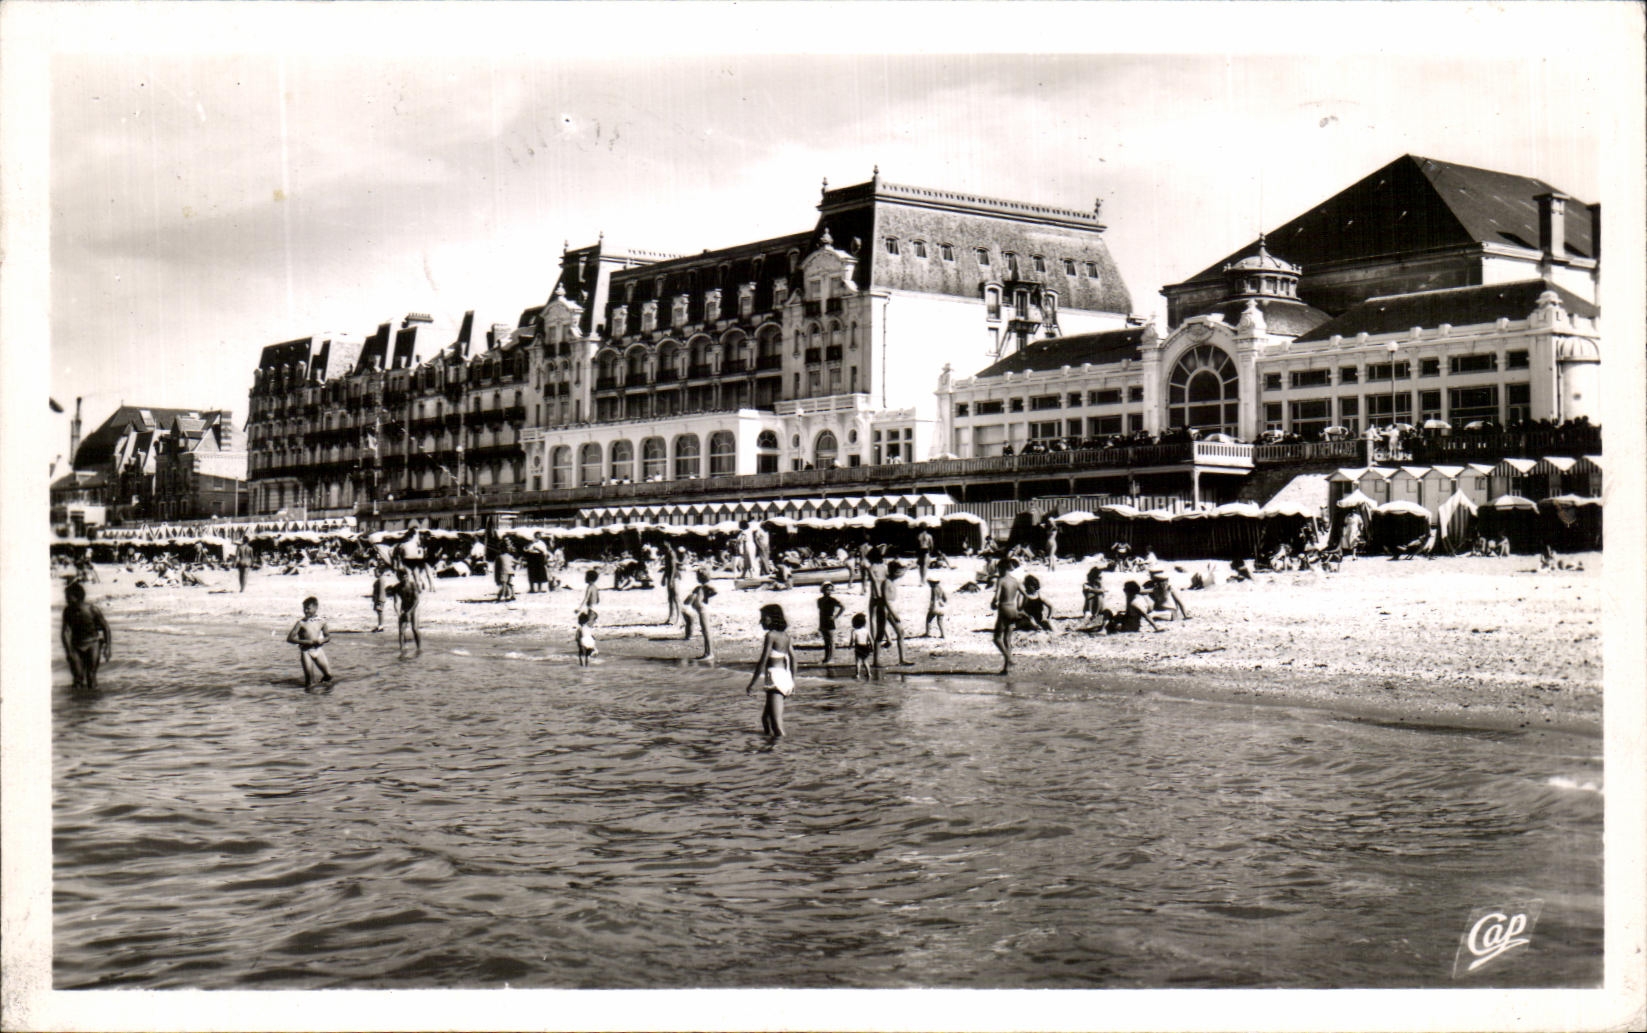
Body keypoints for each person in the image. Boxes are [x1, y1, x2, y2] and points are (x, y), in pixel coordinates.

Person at [745, 603, 794, 737]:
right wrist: (792, 681)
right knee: (765, 720)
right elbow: (794, 659)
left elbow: (763, 661)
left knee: (777, 725)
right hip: (784, 677)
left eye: (764, 618)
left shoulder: (771, 635)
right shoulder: (785, 636)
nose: (761, 621)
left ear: (773, 618)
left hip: (775, 679)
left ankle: (782, 753)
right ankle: (769, 749)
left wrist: (752, 683)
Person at [60, 581, 112, 692]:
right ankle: (78, 704)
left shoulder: (92, 610)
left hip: (93, 643)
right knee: (77, 677)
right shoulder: (68, 611)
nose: (66, 600)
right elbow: (66, 632)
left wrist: (107, 648)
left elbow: (106, 628)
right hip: (76, 645)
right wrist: (69, 651)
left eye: (68, 597)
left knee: (91, 675)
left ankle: (93, 703)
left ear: (77, 597)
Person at [868, 552, 908, 667]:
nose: (901, 574)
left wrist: (907, 567)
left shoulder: (891, 580)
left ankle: (902, 659)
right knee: (880, 634)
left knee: (900, 632)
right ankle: (876, 661)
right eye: (899, 572)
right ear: (894, 572)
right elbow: (885, 600)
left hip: (889, 609)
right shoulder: (887, 583)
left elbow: (902, 572)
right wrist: (894, 614)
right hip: (884, 609)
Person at [286, 595, 334, 691]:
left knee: (329, 675)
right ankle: (311, 697)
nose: (306, 611)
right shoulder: (301, 623)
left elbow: (328, 636)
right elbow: (290, 638)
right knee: (309, 681)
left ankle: (324, 689)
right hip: (306, 652)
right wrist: (306, 642)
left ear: (316, 608)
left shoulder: (321, 621)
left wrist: (322, 640)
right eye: (304, 609)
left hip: (318, 650)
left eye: (308, 608)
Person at [990, 555, 1025, 674]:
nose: (998, 572)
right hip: (1013, 609)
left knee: (997, 638)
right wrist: (1021, 606)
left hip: (1004, 608)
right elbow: (1025, 594)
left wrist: (993, 603)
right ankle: (1006, 669)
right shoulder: (1015, 581)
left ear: (1002, 569)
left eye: (999, 569)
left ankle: (1009, 659)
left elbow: (996, 597)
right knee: (1007, 639)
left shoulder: (1001, 580)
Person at [682, 568, 717, 661]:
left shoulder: (705, 586)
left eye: (698, 576)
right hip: (700, 609)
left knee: (706, 631)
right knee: (704, 631)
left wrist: (706, 597)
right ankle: (706, 652)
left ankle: (710, 653)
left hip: (703, 609)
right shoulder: (699, 587)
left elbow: (715, 591)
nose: (697, 578)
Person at [816, 581, 843, 665]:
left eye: (830, 590)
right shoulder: (819, 600)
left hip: (830, 621)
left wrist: (836, 616)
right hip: (823, 621)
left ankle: (831, 658)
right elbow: (821, 612)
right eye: (827, 590)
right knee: (826, 642)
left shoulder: (833, 600)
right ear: (823, 590)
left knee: (831, 641)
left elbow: (842, 607)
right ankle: (826, 657)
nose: (829, 591)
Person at [397, 572, 422, 656]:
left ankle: (419, 648)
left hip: (414, 608)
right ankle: (402, 650)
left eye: (406, 577)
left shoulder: (412, 585)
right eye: (402, 577)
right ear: (399, 578)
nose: (405, 579)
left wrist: (410, 612)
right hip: (404, 608)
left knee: (414, 629)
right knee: (401, 631)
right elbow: (396, 601)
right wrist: (399, 611)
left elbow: (417, 600)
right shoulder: (398, 587)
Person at [661, 541, 682, 626]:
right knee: (670, 598)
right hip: (669, 576)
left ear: (669, 545)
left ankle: (679, 618)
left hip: (674, 576)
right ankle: (671, 617)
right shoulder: (666, 554)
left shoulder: (672, 553)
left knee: (676, 597)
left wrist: (671, 580)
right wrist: (664, 578)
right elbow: (667, 568)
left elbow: (673, 567)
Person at [849, 613, 873, 680]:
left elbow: (852, 640)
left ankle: (857, 674)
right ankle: (869, 673)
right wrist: (872, 647)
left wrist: (850, 646)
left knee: (858, 661)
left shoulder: (854, 631)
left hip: (858, 647)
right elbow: (870, 639)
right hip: (866, 646)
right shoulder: (866, 630)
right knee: (865, 661)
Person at [371, 565, 392, 632]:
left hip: (380, 598)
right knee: (379, 611)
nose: (374, 574)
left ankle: (381, 626)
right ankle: (380, 625)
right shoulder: (380, 579)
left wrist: (379, 599)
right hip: (379, 598)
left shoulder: (381, 579)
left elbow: (381, 590)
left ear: (379, 572)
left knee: (380, 611)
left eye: (375, 572)